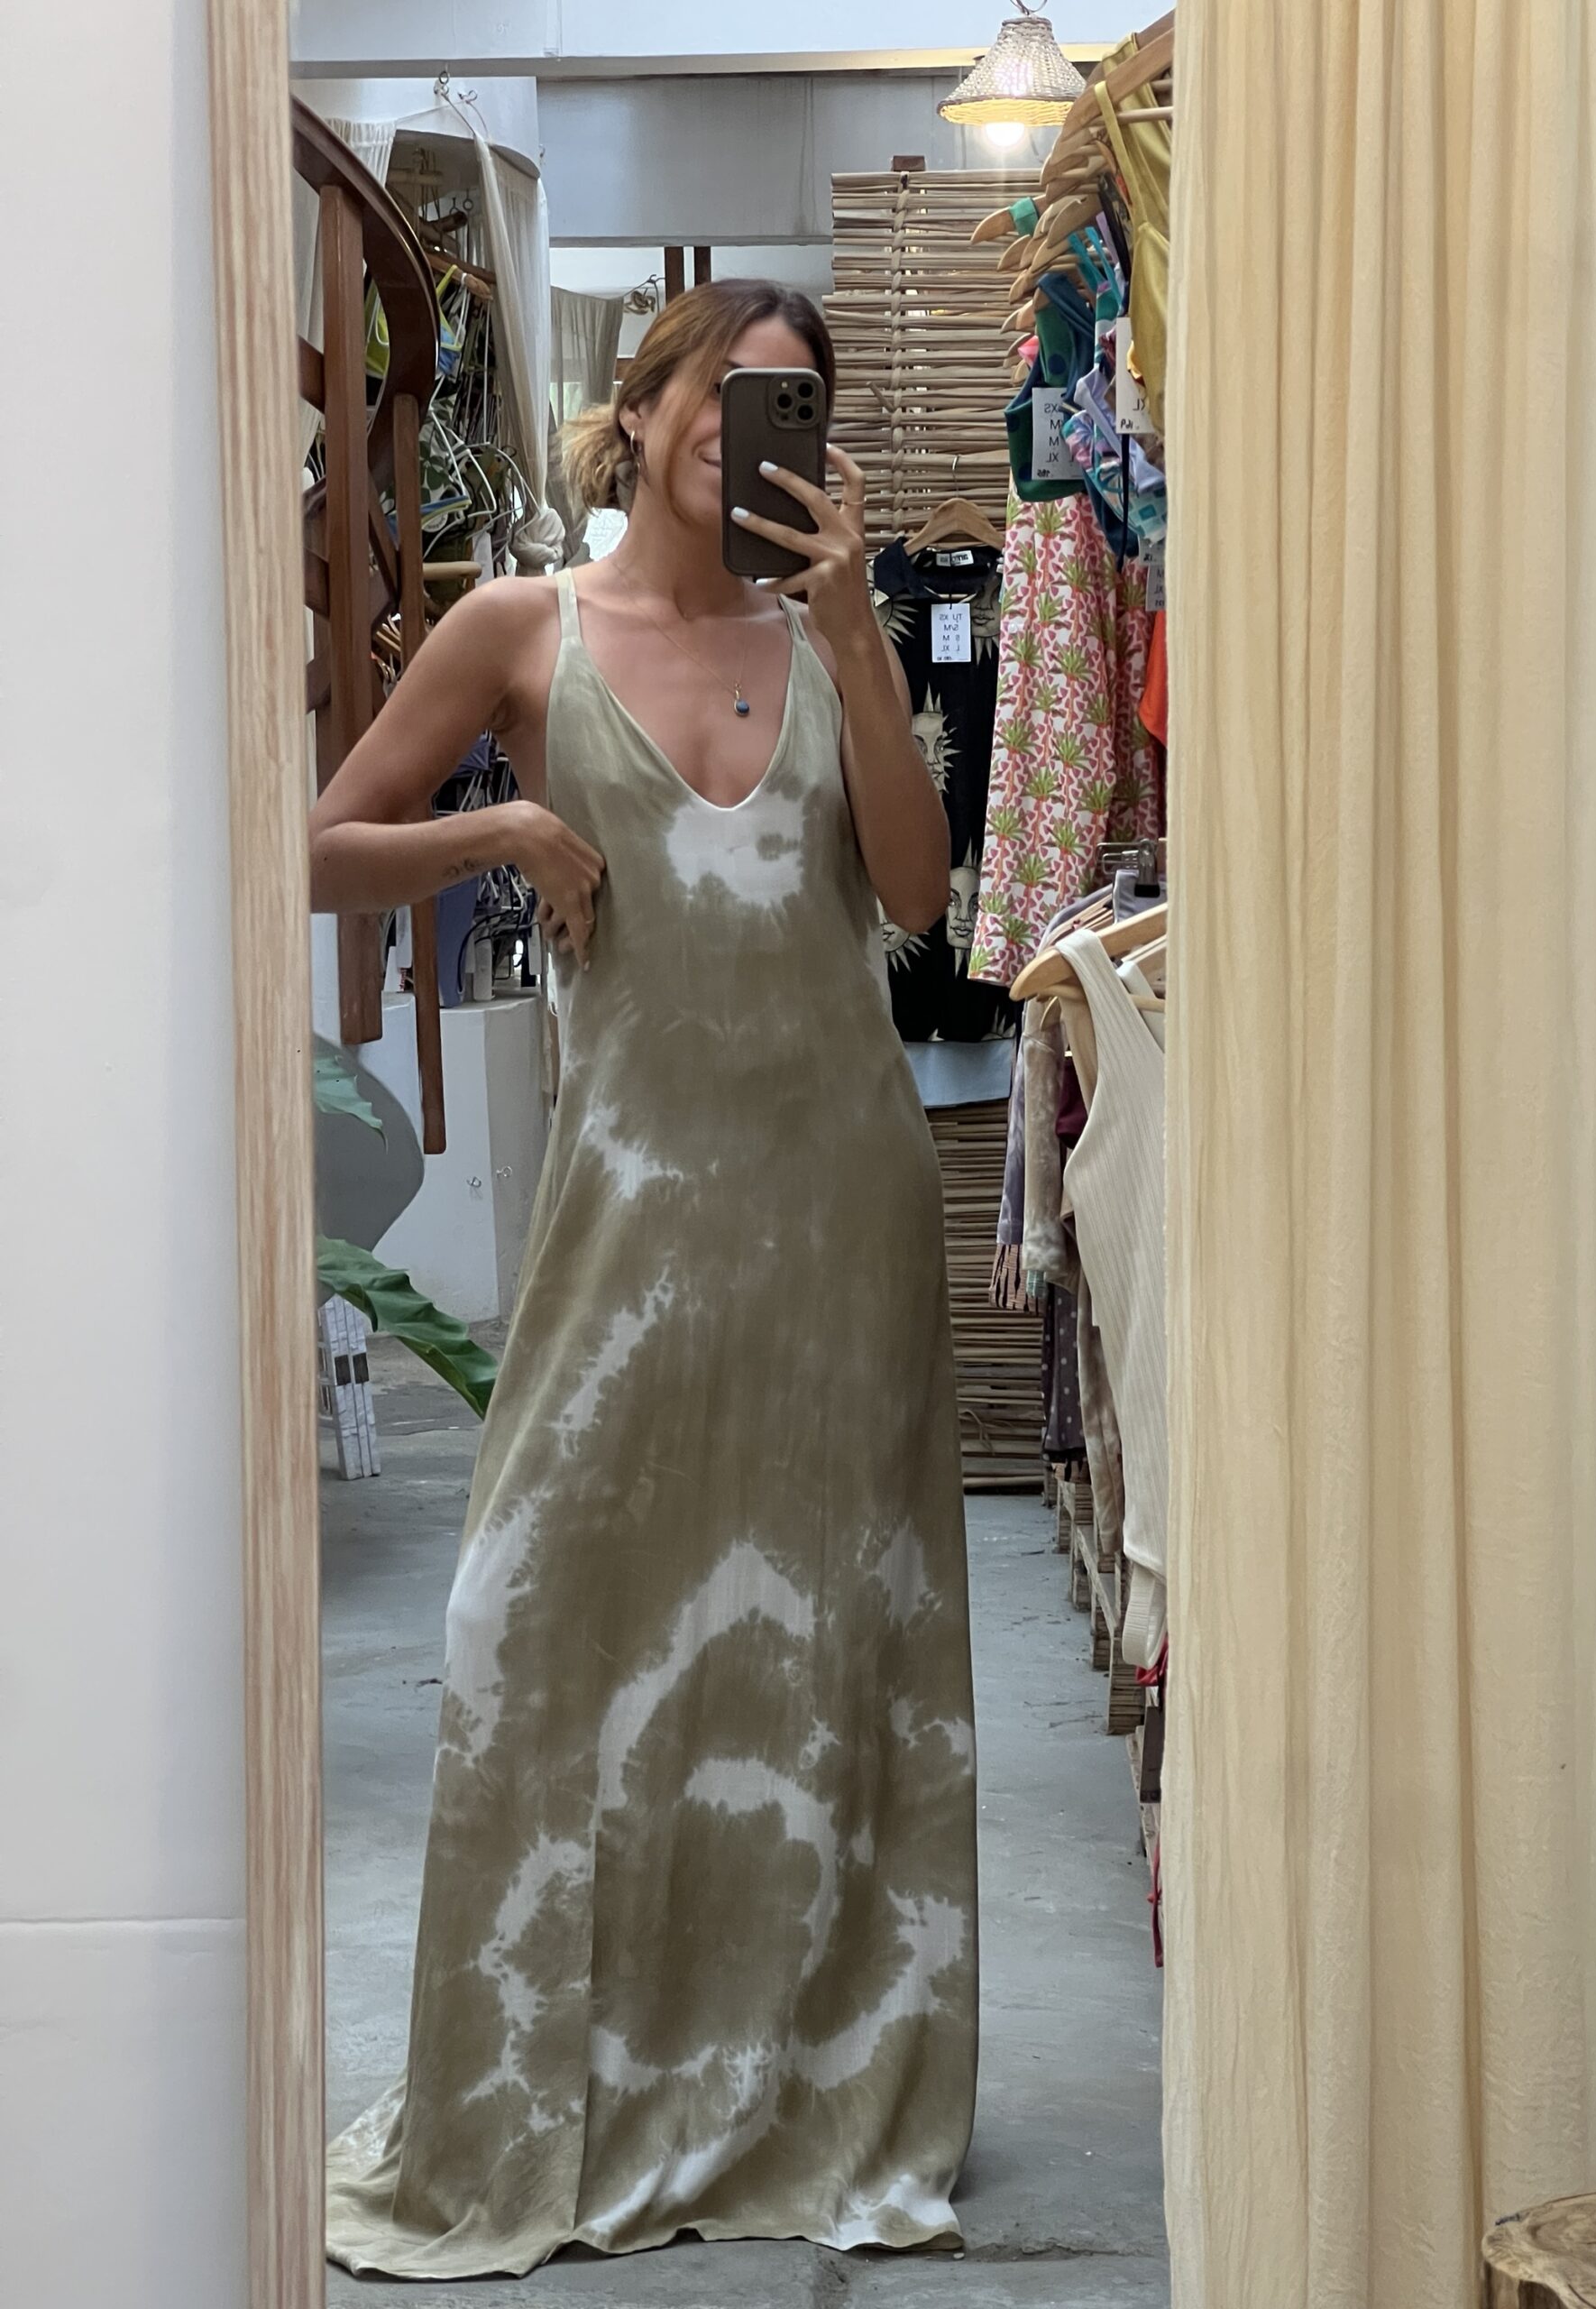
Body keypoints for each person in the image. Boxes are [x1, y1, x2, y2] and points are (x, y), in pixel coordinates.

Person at [312, 279, 979, 2279]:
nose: (747, 425)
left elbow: (918, 896)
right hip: (627, 1228)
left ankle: (794, 2085)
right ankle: (563, 2078)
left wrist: (858, 645)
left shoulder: (828, 637)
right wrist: (507, 825)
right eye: (724, 389)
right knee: (532, 1629)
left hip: (837, 1225)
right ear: (652, 400)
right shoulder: (521, 630)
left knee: (820, 1664)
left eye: (793, 401)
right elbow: (319, 845)